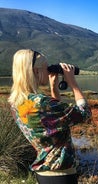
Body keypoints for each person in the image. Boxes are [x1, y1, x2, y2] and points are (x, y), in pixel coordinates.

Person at [8, 49, 92, 184]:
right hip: (60, 174)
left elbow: (53, 122)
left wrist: (54, 88)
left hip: (43, 172)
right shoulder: (42, 102)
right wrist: (73, 84)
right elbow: (84, 113)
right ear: (35, 71)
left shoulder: (17, 102)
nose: (49, 71)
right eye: (46, 68)